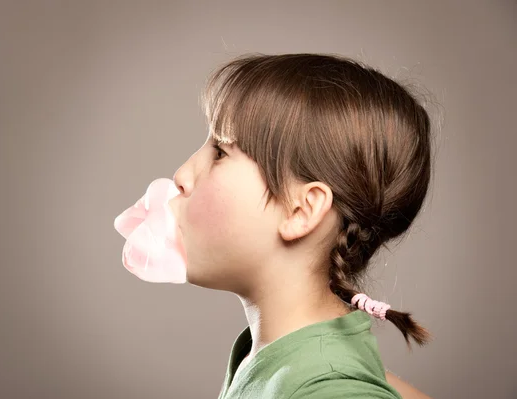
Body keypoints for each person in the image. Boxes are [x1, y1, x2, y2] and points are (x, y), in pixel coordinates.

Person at [168, 53, 435, 398]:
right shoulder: (277, 357)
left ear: (302, 210)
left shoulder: (332, 388)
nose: (181, 176)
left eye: (220, 153)